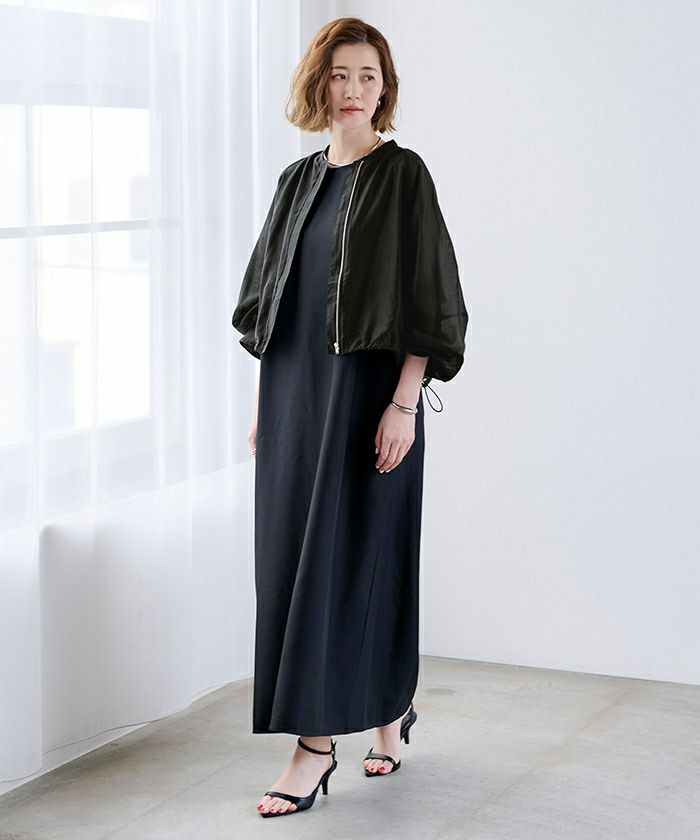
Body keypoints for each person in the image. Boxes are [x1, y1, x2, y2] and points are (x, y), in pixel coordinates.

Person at [231, 17, 468, 818]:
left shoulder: (403, 176)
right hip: (295, 400)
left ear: (385, 87)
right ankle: (388, 715)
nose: (353, 90)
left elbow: (432, 297)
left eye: (368, 76)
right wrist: (264, 408)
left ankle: (315, 748)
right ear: (318, 83)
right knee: (296, 565)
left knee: (365, 563)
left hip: (370, 400)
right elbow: (270, 305)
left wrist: (405, 402)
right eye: (339, 75)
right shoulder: (296, 182)